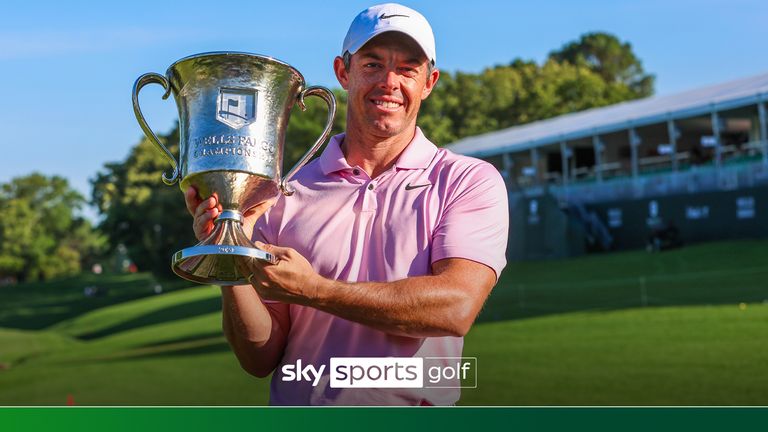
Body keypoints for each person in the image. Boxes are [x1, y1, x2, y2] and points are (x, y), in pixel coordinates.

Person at [184, 3, 509, 405]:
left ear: (429, 82)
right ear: (343, 71)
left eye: (408, 68)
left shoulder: (466, 181)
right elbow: (259, 357)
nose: (390, 82)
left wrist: (314, 290)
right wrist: (229, 255)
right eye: (373, 64)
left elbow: (455, 308)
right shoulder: (281, 194)